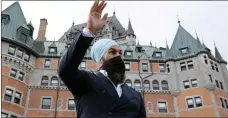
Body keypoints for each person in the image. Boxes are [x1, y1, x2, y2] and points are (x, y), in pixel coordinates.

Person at [58, 1, 146, 118]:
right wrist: (90, 31)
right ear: (100, 61)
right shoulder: (86, 81)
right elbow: (65, 69)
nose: (118, 55)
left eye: (120, 53)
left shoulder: (136, 95)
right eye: (112, 52)